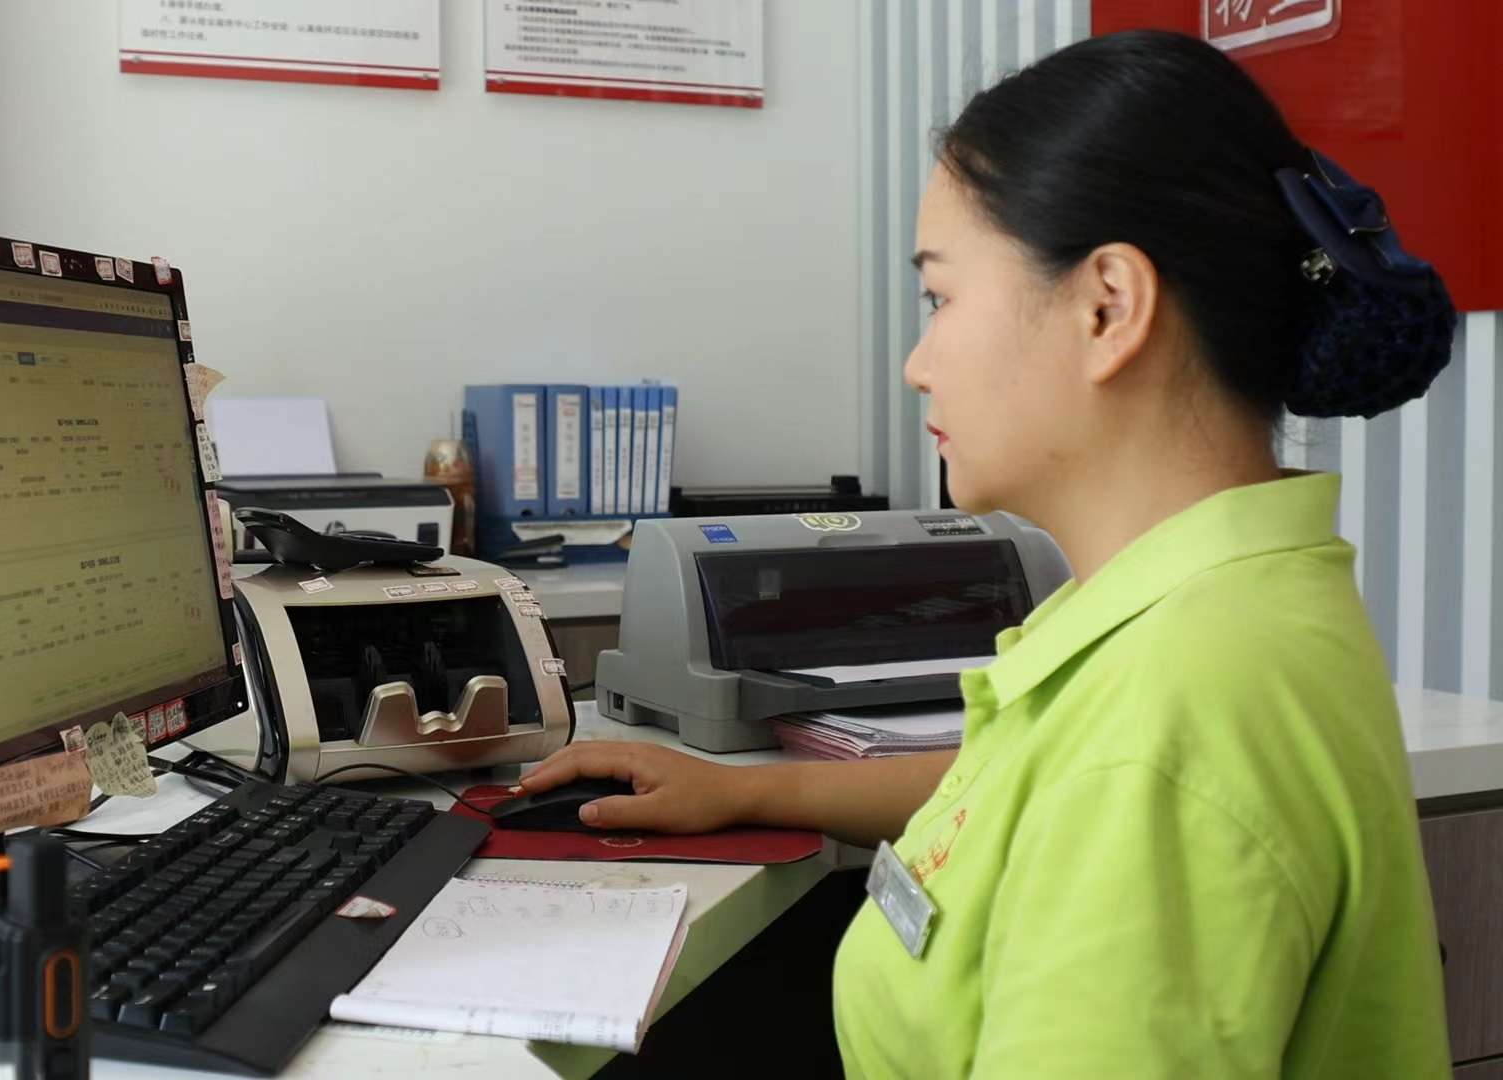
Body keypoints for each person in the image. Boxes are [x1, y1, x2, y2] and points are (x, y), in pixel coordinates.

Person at [521, 30, 1457, 1078]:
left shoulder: (1172, 727)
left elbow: (1116, 787)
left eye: (942, 297)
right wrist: (742, 792)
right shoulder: (1211, 608)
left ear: (1107, 307)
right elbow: (1012, 791)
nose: (918, 365)